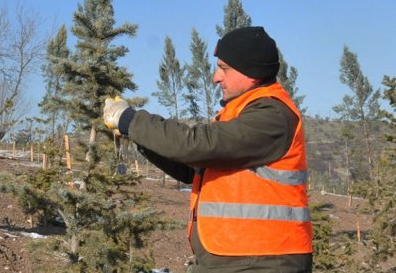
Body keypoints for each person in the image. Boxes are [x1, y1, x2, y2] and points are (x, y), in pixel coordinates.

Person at [103, 26, 312, 272]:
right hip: (238, 257)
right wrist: (137, 135)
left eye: (224, 68)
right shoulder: (240, 114)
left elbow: (197, 144)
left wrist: (132, 120)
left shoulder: (272, 116)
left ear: (251, 72)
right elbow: (194, 169)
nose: (216, 77)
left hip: (264, 259)